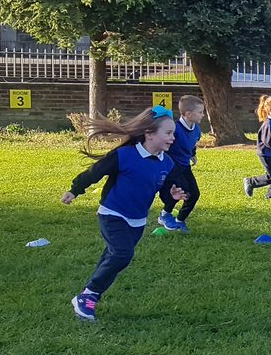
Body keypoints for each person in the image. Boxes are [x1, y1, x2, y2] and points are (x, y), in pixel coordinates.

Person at [63, 106, 188, 322]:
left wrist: (173, 197)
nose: (173, 138)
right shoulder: (125, 155)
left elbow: (165, 194)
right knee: (122, 254)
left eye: (173, 133)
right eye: (168, 133)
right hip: (112, 214)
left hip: (137, 221)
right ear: (149, 133)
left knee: (114, 257)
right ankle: (88, 295)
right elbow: (95, 172)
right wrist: (75, 190)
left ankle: (89, 295)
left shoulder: (167, 164)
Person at [157, 95, 204, 232]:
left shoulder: (196, 129)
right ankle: (165, 214)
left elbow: (193, 143)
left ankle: (180, 220)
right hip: (172, 167)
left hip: (185, 166)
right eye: (200, 112)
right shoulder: (175, 128)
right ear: (188, 114)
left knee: (194, 194)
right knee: (181, 192)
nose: (203, 115)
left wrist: (193, 154)